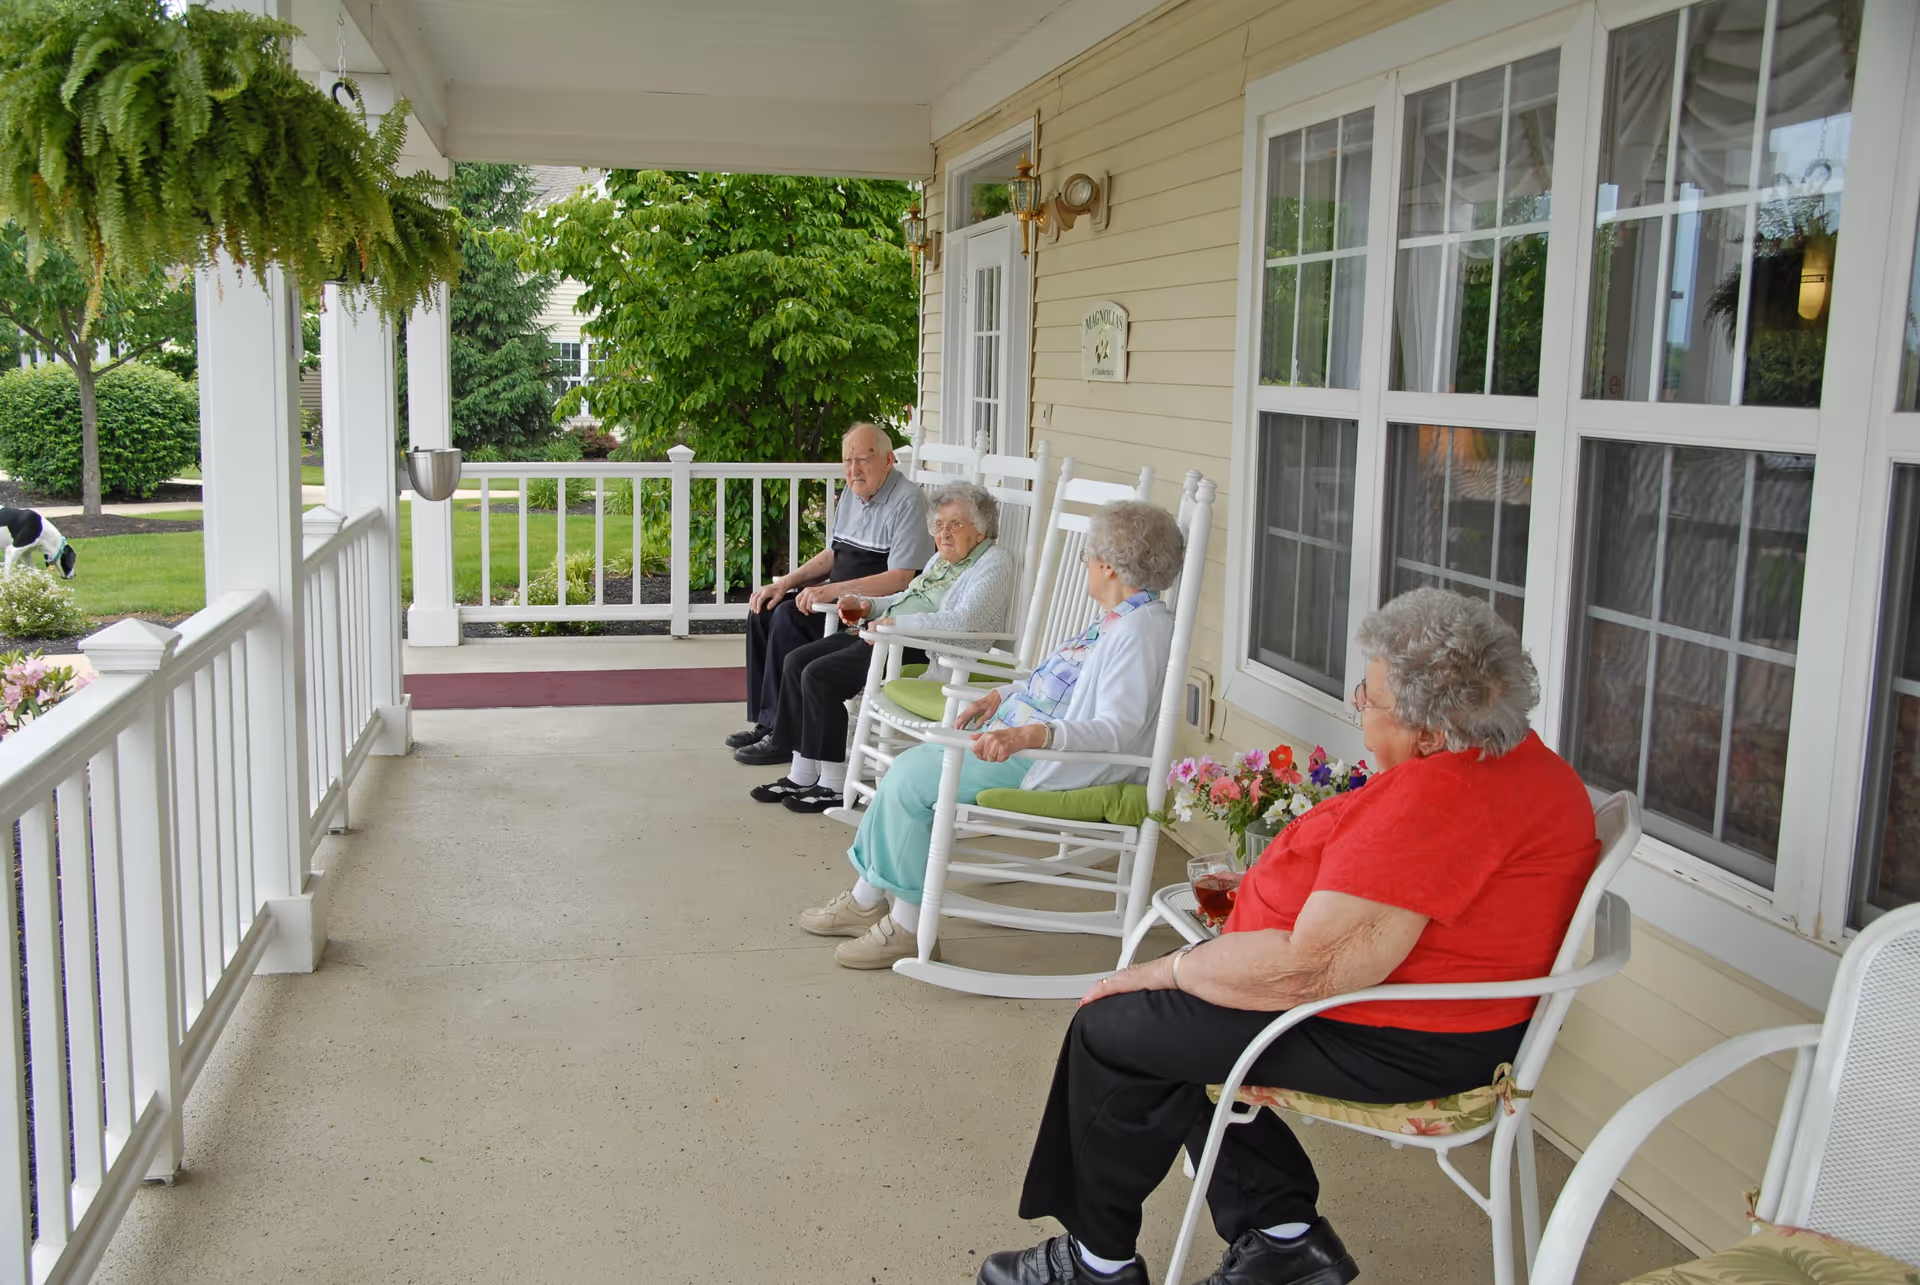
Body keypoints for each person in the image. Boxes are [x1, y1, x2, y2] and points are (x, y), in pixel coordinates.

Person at [975, 589, 1603, 1285]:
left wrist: (1170, 971)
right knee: (1182, 1028)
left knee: (1116, 1027)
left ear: (1430, 730)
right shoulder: (1517, 758)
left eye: (1371, 697)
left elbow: (1312, 967)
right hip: (1435, 1009)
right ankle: (1285, 1241)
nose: (1360, 707)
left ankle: (1097, 1263)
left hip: (1413, 1038)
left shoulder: (1445, 799)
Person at [798, 500, 1187, 970]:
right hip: (1026, 735)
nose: (1085, 562)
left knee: (910, 777)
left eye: (1088, 554)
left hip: (1056, 763)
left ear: (1108, 565)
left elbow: (1116, 728)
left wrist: (1029, 734)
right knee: (913, 768)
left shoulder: (1139, 633)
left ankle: (906, 925)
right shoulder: (1119, 618)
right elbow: (1057, 680)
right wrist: (1002, 695)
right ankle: (867, 898)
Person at [751, 482, 1018, 813]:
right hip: (885, 632)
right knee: (796, 661)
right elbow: (906, 598)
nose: (944, 533)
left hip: (919, 645)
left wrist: (895, 626)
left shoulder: (993, 563)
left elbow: (962, 622)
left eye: (955, 524)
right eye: (939, 524)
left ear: (981, 530)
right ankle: (801, 773)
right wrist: (869, 606)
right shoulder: (942, 560)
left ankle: (832, 785)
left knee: (820, 676)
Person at [731, 424, 934, 762]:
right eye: (847, 460)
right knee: (765, 608)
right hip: (837, 597)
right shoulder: (852, 493)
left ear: (888, 460)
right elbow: (833, 556)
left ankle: (784, 737)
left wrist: (833, 592)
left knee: (787, 618)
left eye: (863, 460)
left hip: (865, 609)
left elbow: (901, 578)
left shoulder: (908, 501)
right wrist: (784, 583)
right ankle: (769, 723)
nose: (854, 470)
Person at [0, 506, 77, 579]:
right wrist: (7, 580)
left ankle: (33, 578)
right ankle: (6, 582)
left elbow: (23, 553)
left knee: (25, 553)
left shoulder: (34, 526)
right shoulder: (33, 528)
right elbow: (11, 552)